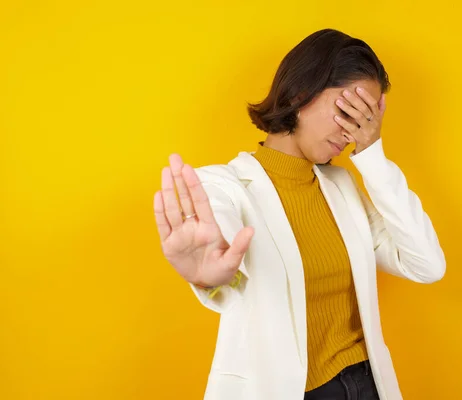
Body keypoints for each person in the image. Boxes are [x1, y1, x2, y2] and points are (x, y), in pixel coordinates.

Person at [153, 28, 445, 400]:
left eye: (365, 118)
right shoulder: (222, 186)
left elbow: (427, 265)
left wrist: (372, 154)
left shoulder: (341, 187)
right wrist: (210, 277)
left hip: (365, 384)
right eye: (347, 109)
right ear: (298, 94)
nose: (353, 130)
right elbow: (222, 261)